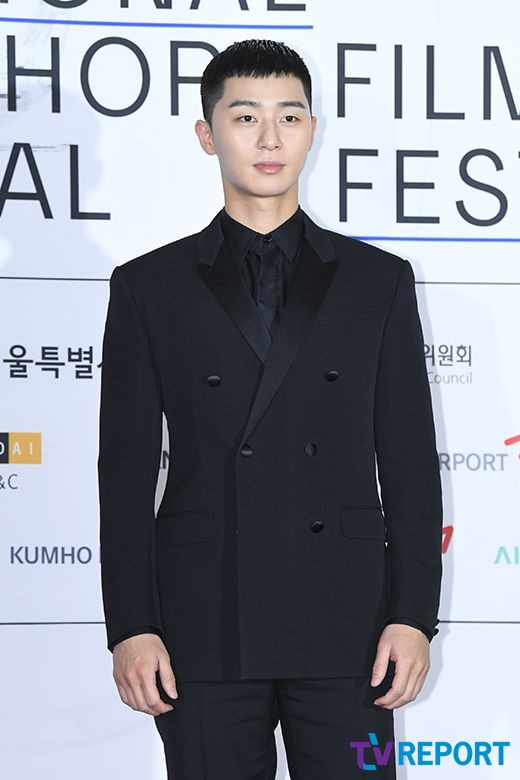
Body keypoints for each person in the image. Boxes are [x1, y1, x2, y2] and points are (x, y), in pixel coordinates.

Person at [97, 38, 443, 779]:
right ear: (206, 133)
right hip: (203, 628)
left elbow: (410, 462)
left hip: (350, 630)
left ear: (312, 130)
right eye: (245, 116)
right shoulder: (148, 286)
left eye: (289, 117)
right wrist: (131, 626)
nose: (268, 138)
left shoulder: (378, 280)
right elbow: (123, 473)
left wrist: (412, 616)